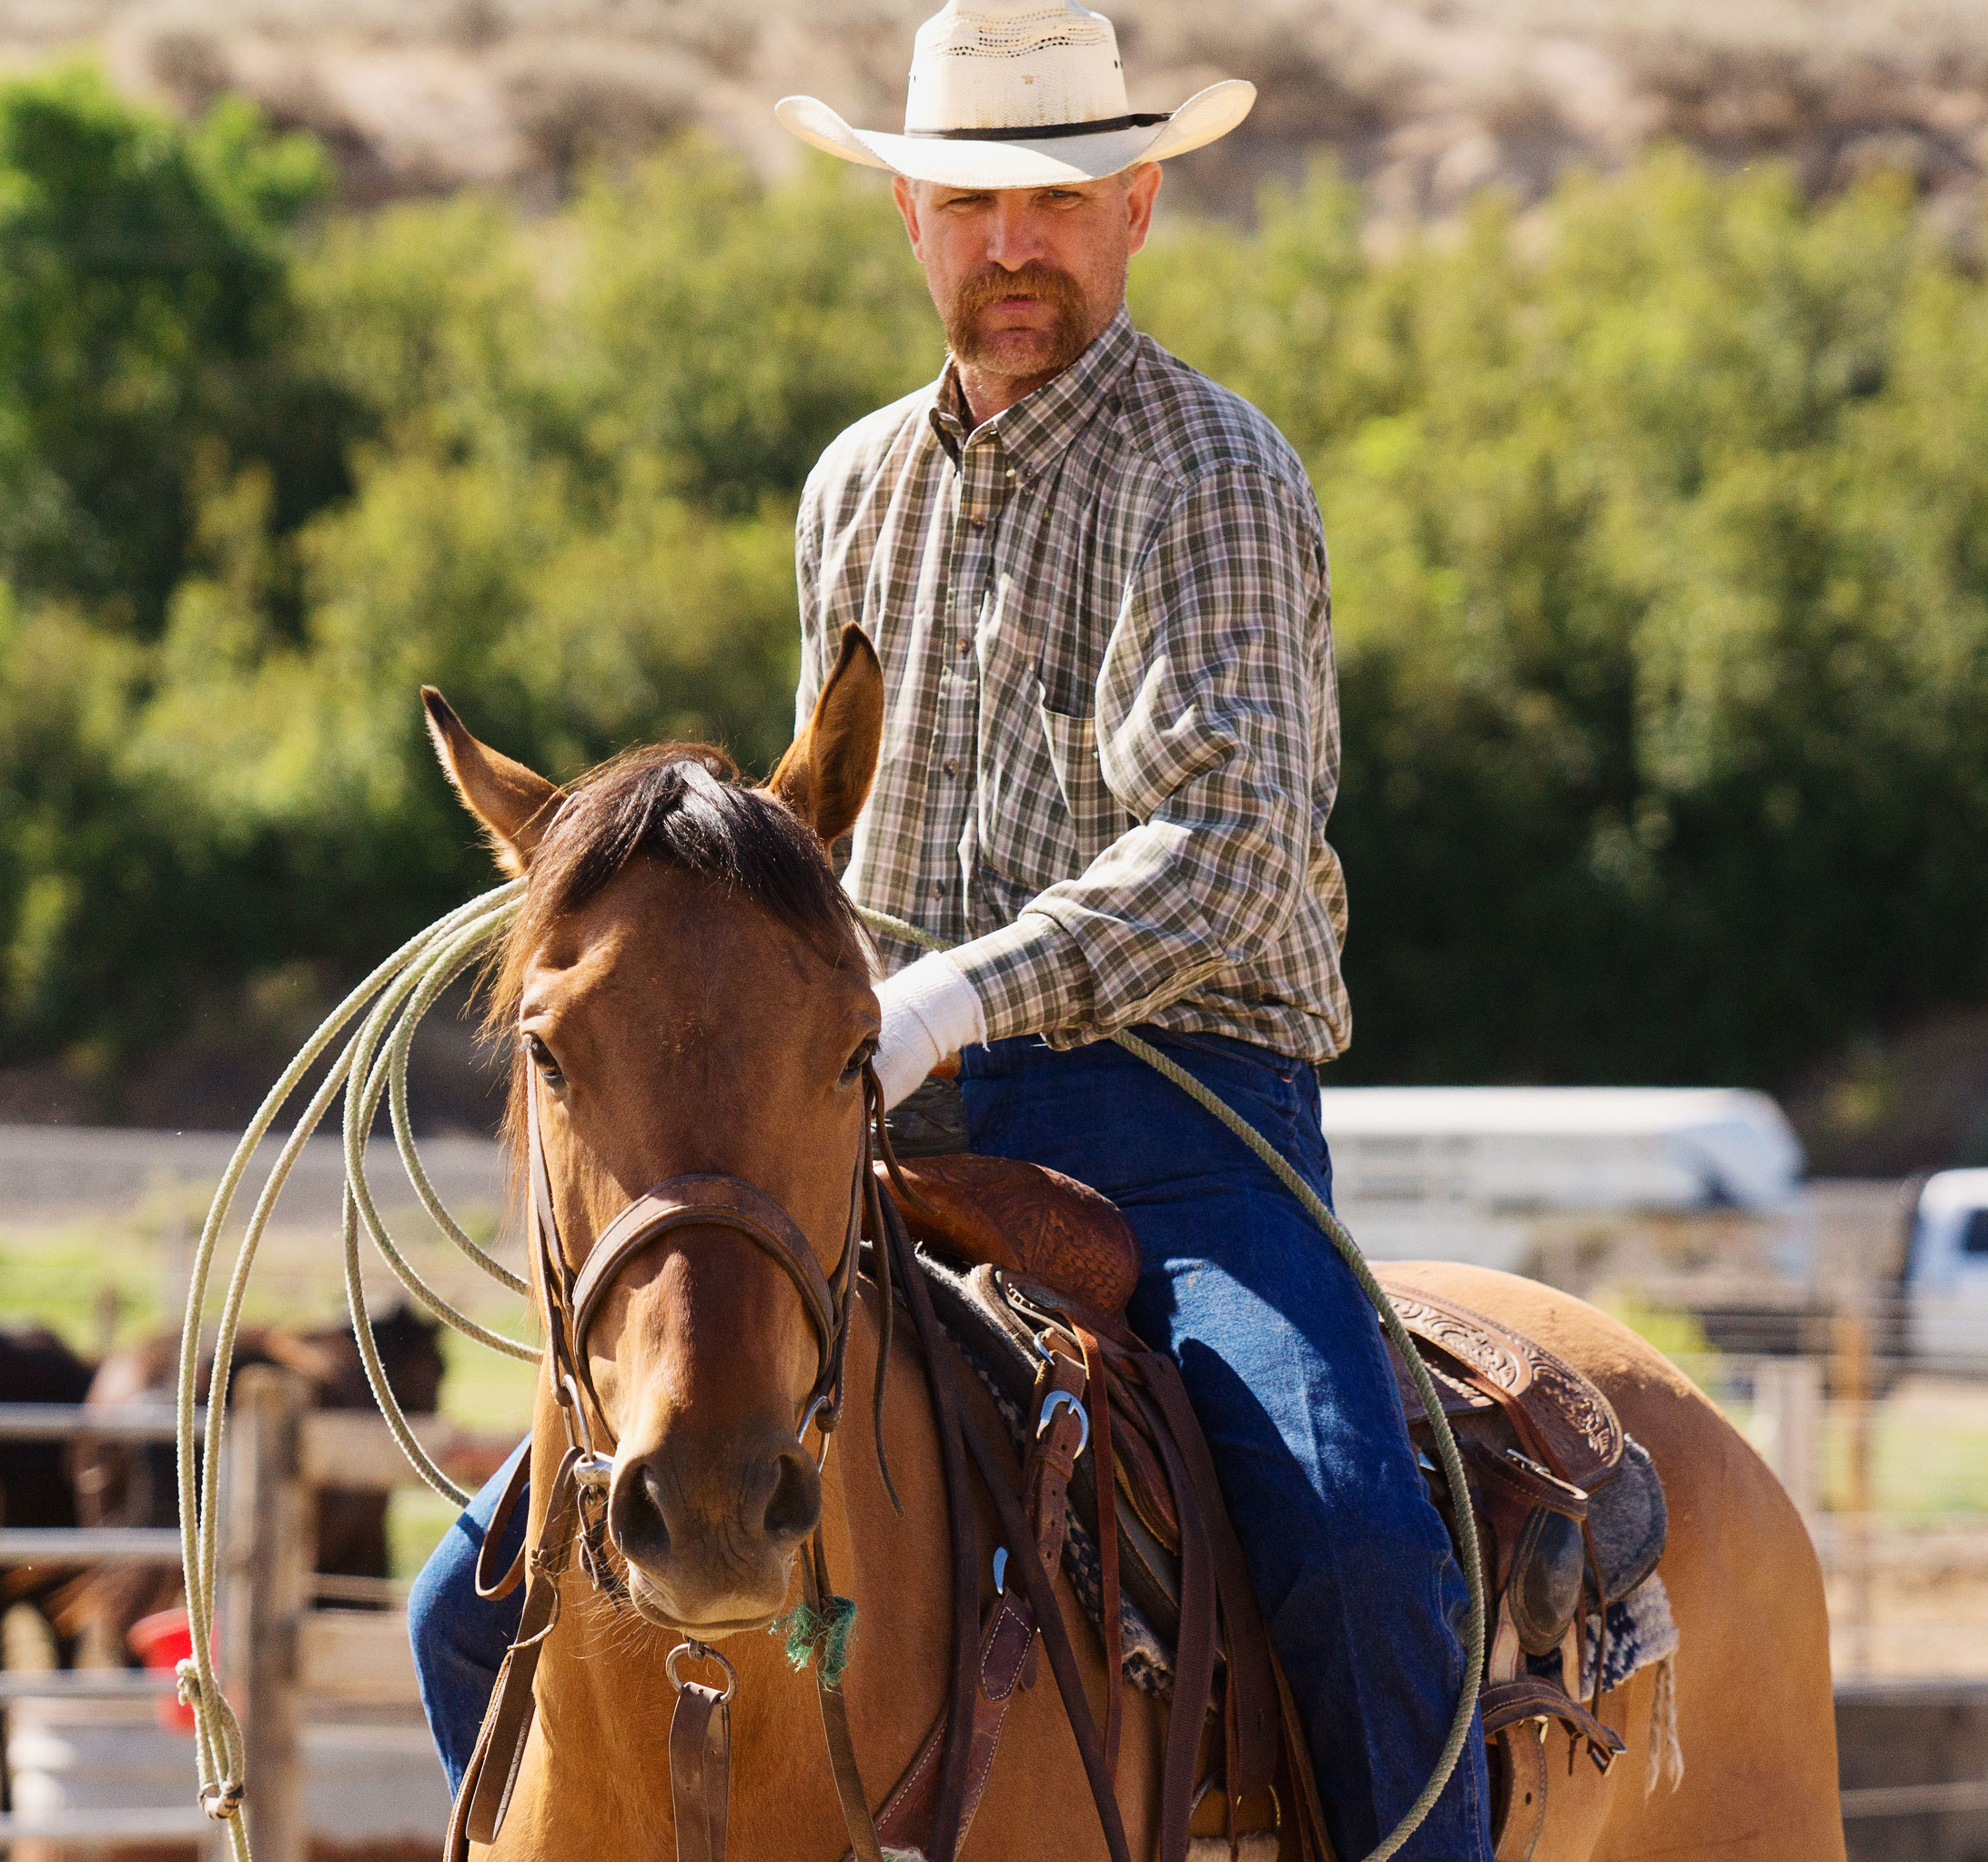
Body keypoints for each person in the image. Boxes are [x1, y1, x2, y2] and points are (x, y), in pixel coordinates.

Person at [410, 4, 1488, 1855]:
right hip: (867, 1139)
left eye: (1056, 201)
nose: (1013, 246)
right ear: (907, 213)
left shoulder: (1208, 475)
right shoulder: (853, 489)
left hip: (1185, 1137)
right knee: (465, 1615)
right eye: (971, 202)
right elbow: (805, 832)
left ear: (1135, 205)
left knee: (1354, 1542)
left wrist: (951, 1002)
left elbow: (1228, 842)